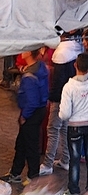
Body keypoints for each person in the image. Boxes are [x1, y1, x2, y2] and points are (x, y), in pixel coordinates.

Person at [0, 49, 49, 184]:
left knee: (31, 145)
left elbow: (32, 102)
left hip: (31, 113)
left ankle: (33, 177)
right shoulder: (39, 67)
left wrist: (24, 116)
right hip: (38, 110)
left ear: (29, 53)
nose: (22, 51)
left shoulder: (30, 77)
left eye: (25, 49)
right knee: (21, 143)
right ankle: (15, 172)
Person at [39, 34, 83, 175]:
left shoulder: (62, 53)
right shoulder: (77, 49)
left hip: (59, 99)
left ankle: (47, 164)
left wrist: (52, 98)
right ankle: (65, 159)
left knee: (53, 129)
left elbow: (57, 82)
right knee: (64, 129)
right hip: (72, 97)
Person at [58, 52, 88, 195]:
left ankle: (74, 191)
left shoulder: (69, 87)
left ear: (75, 65)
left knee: (74, 159)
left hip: (75, 126)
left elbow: (64, 114)